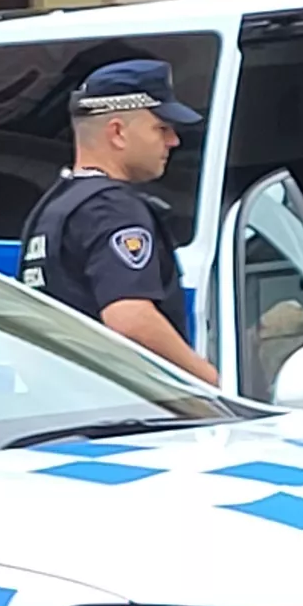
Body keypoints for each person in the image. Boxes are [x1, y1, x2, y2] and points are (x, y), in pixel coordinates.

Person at [20, 58, 220, 386]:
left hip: (65, 402)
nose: (174, 142)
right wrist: (207, 381)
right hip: (122, 410)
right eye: (162, 128)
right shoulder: (113, 208)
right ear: (117, 132)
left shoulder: (54, 205)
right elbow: (130, 318)